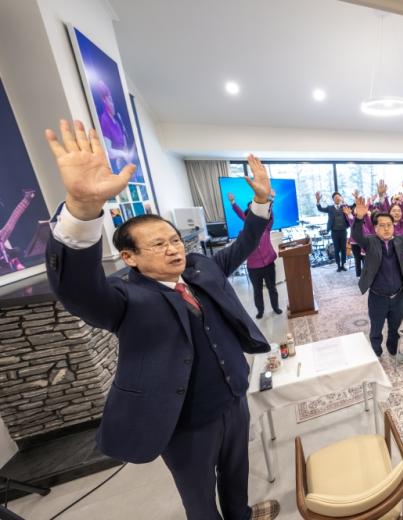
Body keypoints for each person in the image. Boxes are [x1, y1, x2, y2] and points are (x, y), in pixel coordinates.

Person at [44, 120, 279, 519]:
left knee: (237, 474)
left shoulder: (202, 269)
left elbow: (244, 244)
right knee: (199, 497)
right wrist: (82, 210)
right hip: (184, 422)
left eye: (174, 240)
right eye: (158, 244)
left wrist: (260, 202)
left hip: (232, 400)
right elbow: (76, 289)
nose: (173, 249)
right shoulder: (124, 298)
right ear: (130, 257)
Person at [351, 196, 403, 360]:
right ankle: (376, 352)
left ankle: (393, 349)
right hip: (377, 297)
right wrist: (359, 218)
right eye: (382, 225)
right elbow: (356, 235)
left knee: (395, 328)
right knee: (376, 329)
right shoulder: (370, 242)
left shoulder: (399, 241)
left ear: (393, 227)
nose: (386, 229)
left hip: (397, 296)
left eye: (389, 225)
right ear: (375, 228)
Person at [229, 192, 282, 318]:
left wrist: (270, 199)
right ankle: (260, 311)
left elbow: (269, 213)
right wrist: (233, 202)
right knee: (257, 291)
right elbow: (241, 214)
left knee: (272, 288)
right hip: (253, 268)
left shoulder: (266, 227)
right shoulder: (244, 233)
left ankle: (275, 307)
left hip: (268, 264)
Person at [316, 190, 349, 271]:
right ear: (333, 199)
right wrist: (318, 201)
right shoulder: (330, 208)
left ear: (340, 198)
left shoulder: (344, 207)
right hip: (334, 232)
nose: (337, 199)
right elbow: (320, 209)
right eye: (335, 197)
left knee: (344, 249)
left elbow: (352, 207)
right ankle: (338, 266)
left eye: (338, 197)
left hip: (343, 231)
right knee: (336, 249)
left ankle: (343, 265)